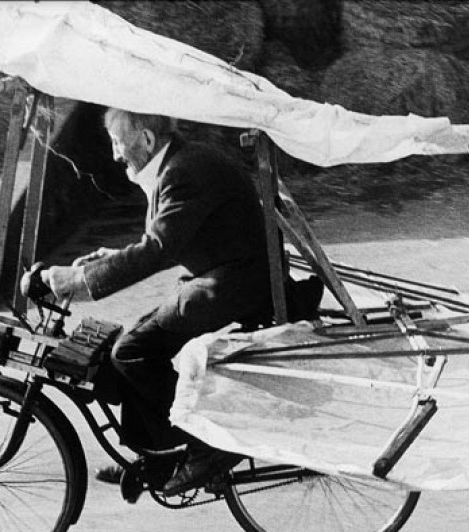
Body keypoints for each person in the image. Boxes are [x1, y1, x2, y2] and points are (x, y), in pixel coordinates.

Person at [21, 107, 278, 500]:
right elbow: (167, 237)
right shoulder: (179, 162)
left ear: (145, 140)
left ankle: (206, 444)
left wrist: (79, 280)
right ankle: (159, 456)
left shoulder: (182, 171)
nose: (115, 154)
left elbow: (158, 249)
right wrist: (107, 258)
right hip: (227, 275)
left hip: (234, 284)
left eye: (118, 143)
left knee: (132, 350)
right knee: (129, 346)